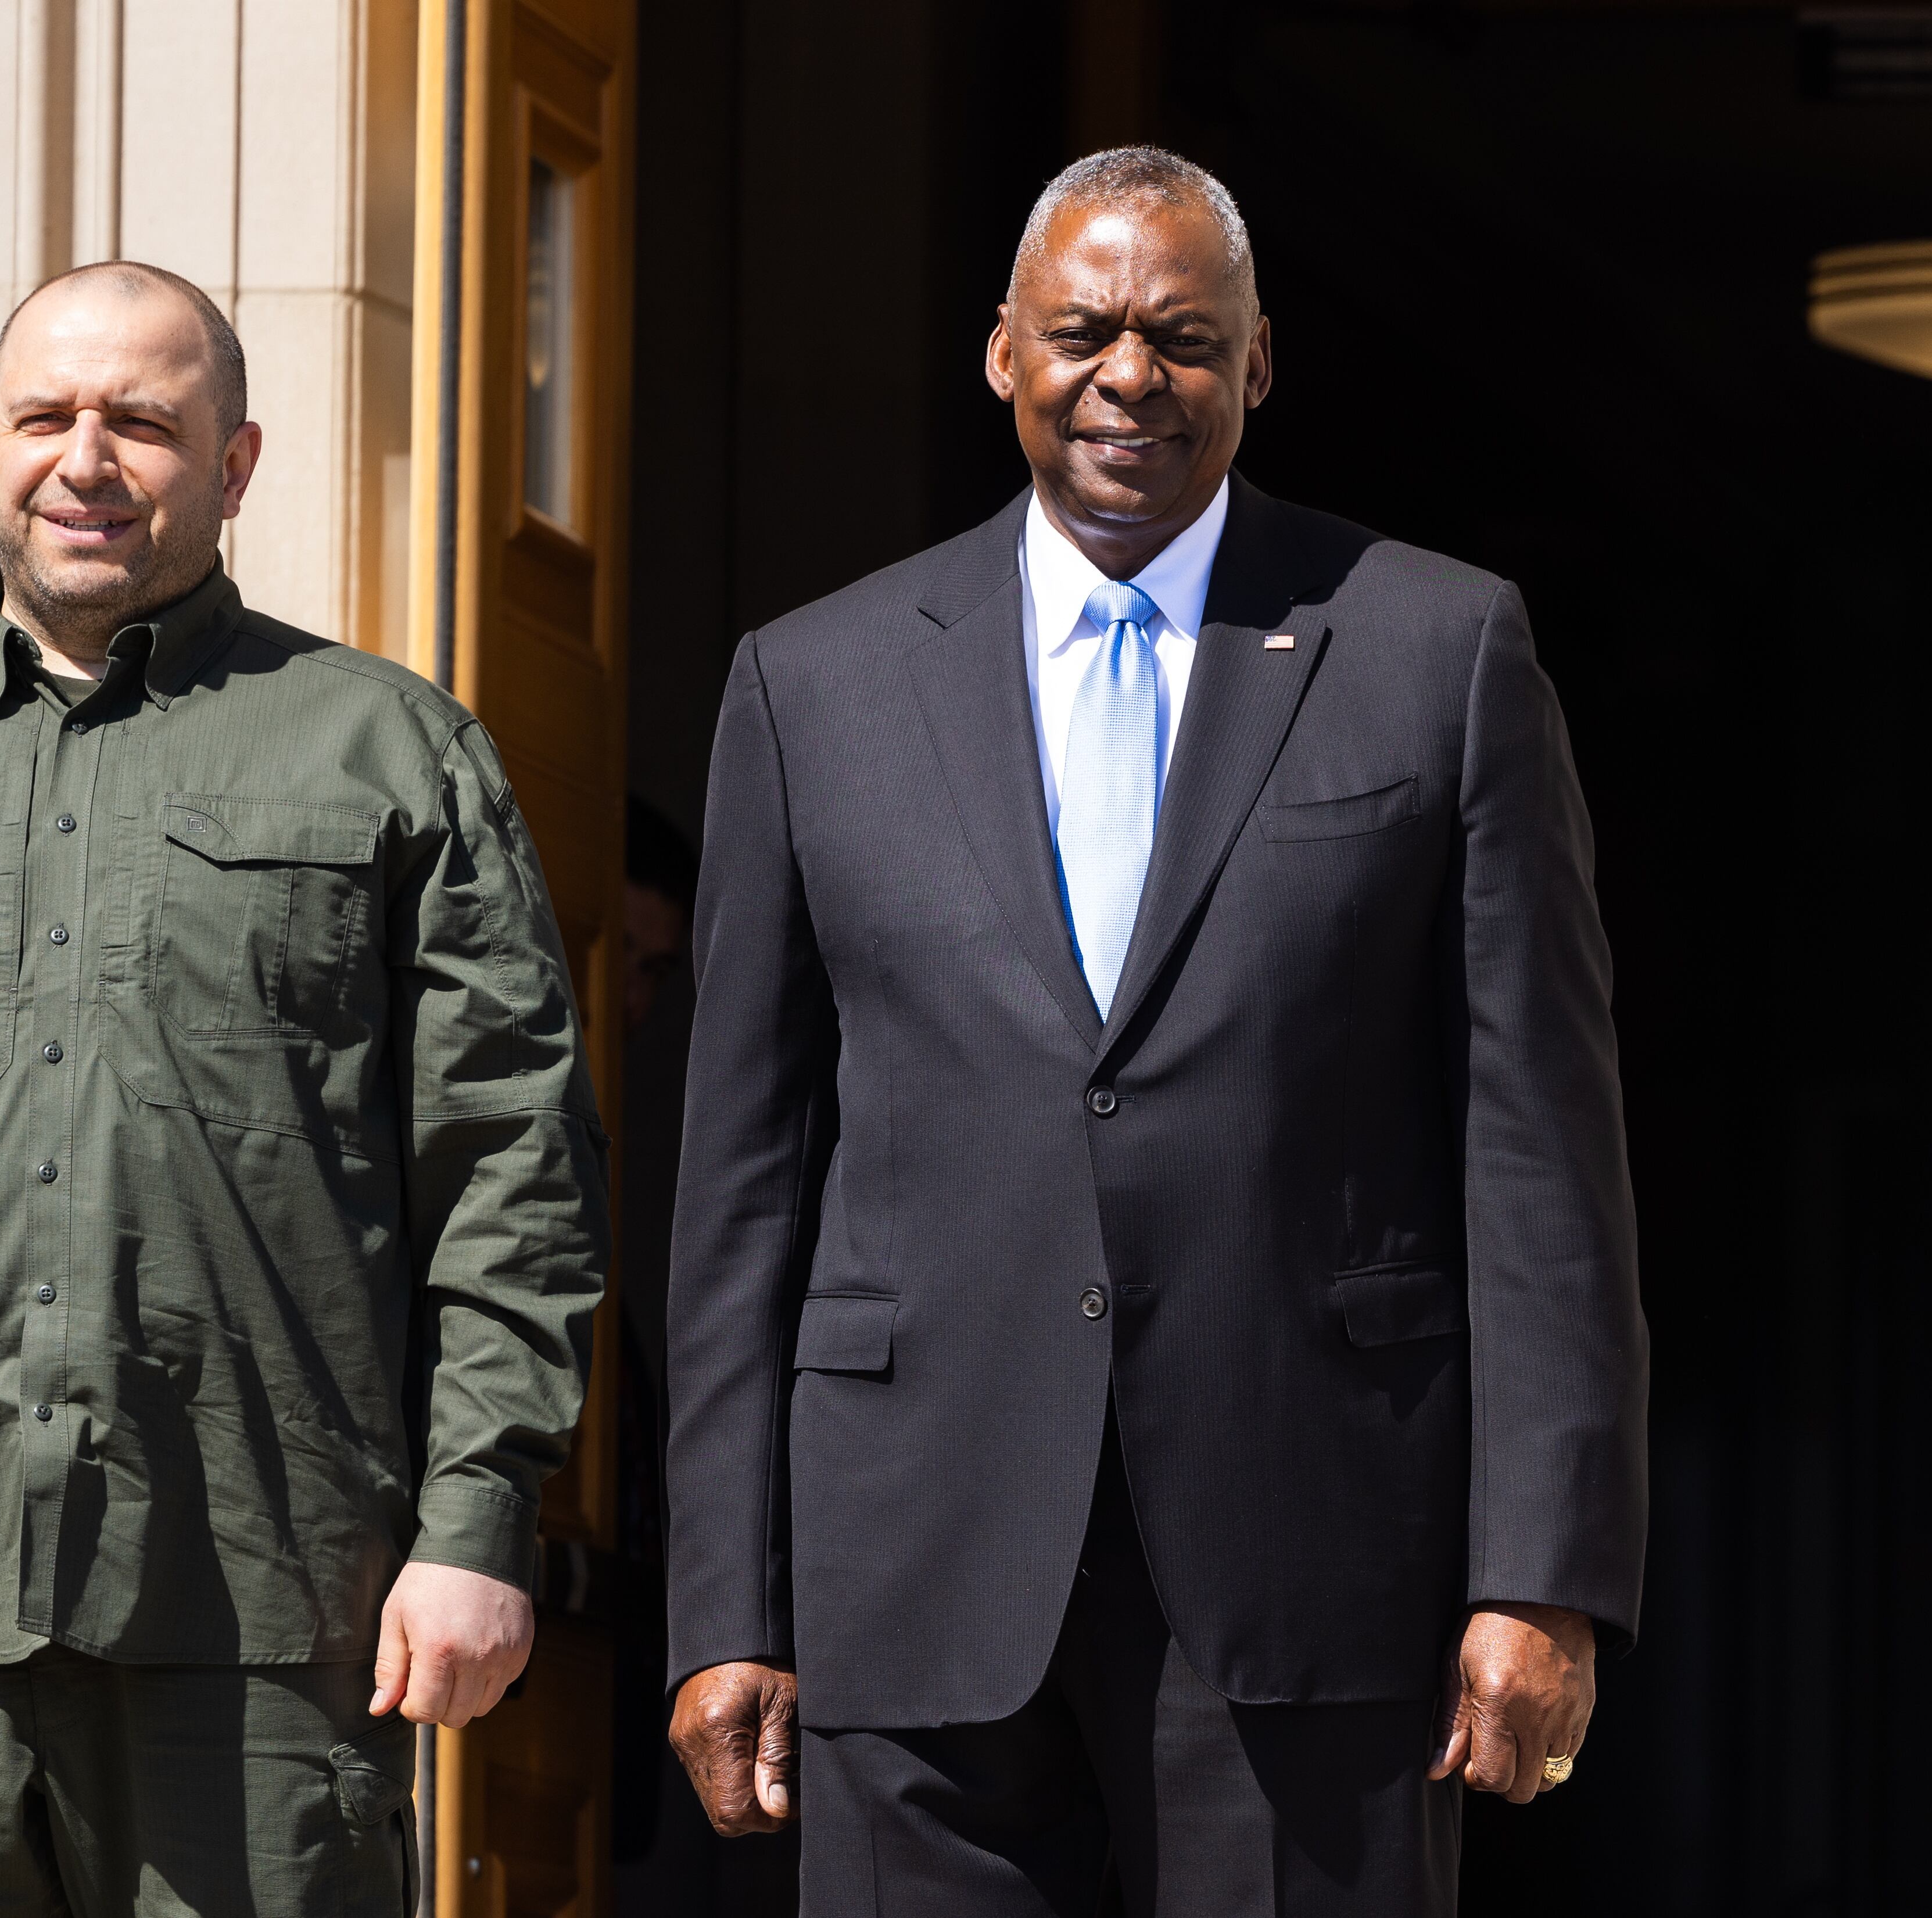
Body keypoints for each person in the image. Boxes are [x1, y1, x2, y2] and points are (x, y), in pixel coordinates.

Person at [664, 148, 1646, 1916]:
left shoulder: (1436, 648)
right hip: (915, 1551)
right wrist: (725, 1599)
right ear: (1001, 355)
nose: (1132, 376)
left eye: (1185, 340)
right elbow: (745, 1180)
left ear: (1256, 369)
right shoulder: (813, 685)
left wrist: (1544, 1571)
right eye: (1086, 332)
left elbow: (1540, 1154)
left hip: (1315, 1552)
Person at [0, 260, 608, 1916]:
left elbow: (513, 1176)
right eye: (51, 415)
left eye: (144, 421)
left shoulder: (388, 754)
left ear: (235, 465)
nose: (89, 457)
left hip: (267, 1634)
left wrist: (478, 1519)